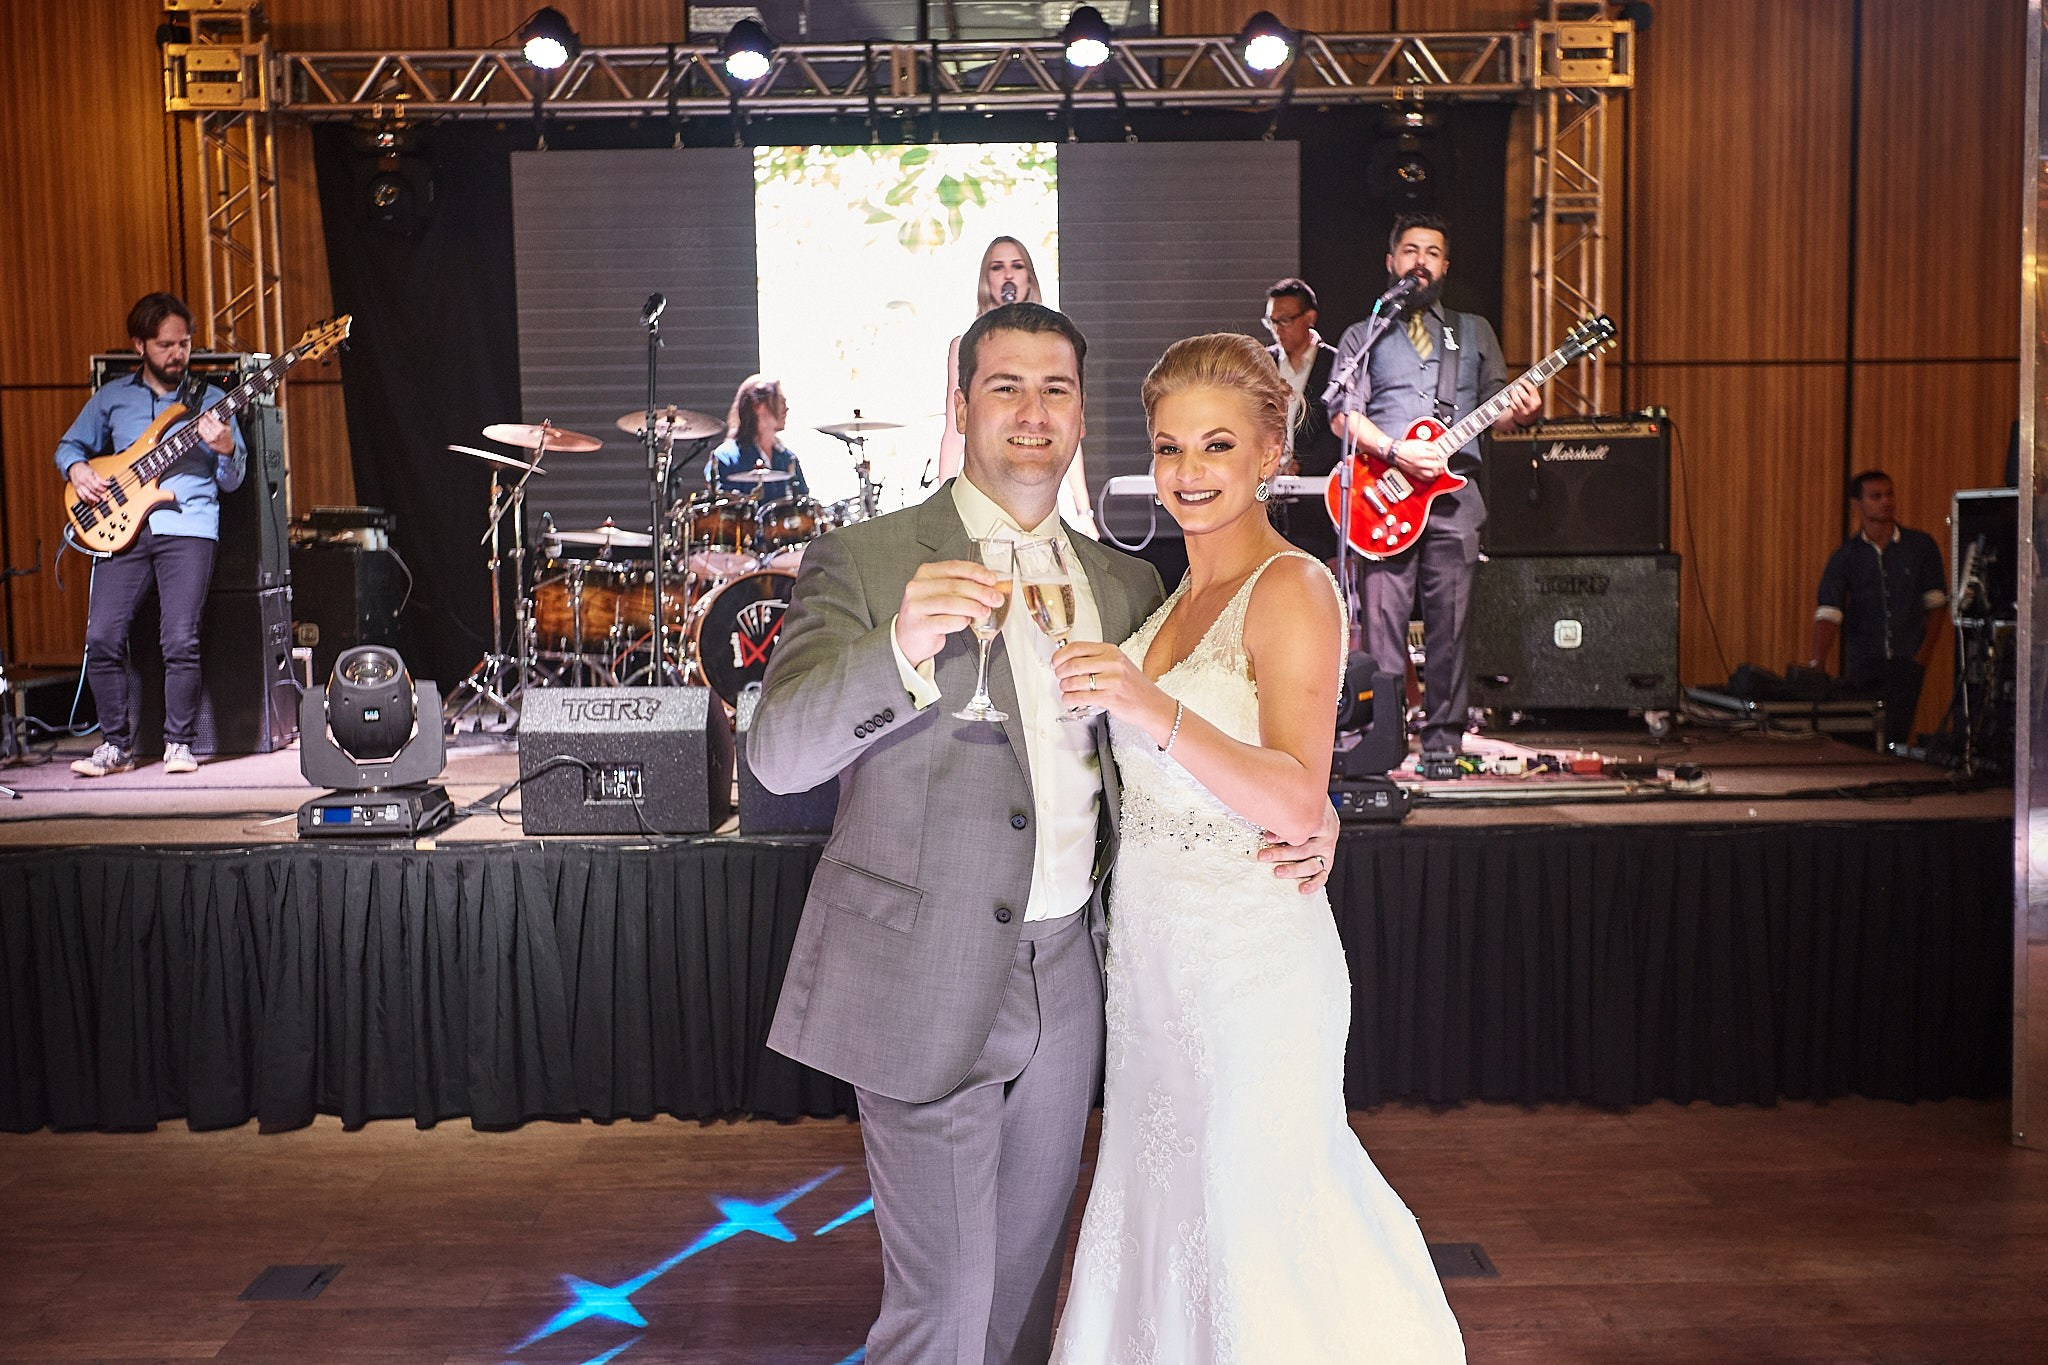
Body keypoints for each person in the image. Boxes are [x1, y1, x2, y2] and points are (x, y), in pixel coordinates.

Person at [748, 302, 1339, 1365]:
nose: (1032, 411)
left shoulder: (1127, 583)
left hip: (1074, 984)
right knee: (941, 1314)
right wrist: (900, 646)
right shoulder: (866, 559)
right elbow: (779, 757)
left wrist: (1313, 808)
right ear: (960, 405)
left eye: (1055, 389)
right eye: (1005, 387)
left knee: (1024, 1307)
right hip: (922, 977)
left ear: (1080, 417)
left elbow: (1183, 758)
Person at [1046, 332, 1464, 1363]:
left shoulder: (1293, 588)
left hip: (1251, 974)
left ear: (1270, 452)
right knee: (1166, 1212)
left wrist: (1149, 707)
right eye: (1169, 447)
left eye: (1216, 446)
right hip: (1153, 971)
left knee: (1251, 1218)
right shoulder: (1167, 603)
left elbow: (1293, 794)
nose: (1187, 472)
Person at [1328, 213, 1541, 759]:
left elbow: (1500, 411)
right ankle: (1384, 741)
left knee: (1451, 625)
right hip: (1384, 496)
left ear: (1445, 265)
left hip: (1455, 495)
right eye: (1410, 250)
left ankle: (1444, 743)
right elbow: (1343, 415)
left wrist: (1522, 413)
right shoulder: (1363, 334)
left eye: (1432, 252)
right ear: (1391, 261)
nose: (1420, 261)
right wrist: (1395, 451)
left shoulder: (1474, 331)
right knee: (1382, 628)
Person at [57, 292, 246, 778]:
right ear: (139, 345)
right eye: (165, 345)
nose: (177, 354)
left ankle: (178, 744)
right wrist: (78, 470)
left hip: (189, 525)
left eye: (184, 344)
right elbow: (69, 446)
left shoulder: (210, 401)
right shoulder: (112, 398)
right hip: (121, 528)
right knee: (101, 637)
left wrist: (225, 448)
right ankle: (115, 746)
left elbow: (233, 480)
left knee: (180, 638)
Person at [934, 236, 1098, 538]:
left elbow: (1068, 431)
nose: (1008, 275)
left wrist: (1083, 510)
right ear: (987, 280)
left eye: (1017, 266)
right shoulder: (964, 345)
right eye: (997, 267)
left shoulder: (1059, 344)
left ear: (1028, 277)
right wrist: (942, 507)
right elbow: (954, 433)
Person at [1809, 469, 1948, 747]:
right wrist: (1818, 664)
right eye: (1876, 496)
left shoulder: (1920, 546)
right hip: (1863, 664)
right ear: (1857, 504)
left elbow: (1936, 605)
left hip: (1907, 662)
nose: (1886, 501)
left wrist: (1922, 657)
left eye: (1889, 494)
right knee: (1863, 738)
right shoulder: (1846, 556)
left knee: (1896, 735)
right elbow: (1829, 613)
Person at [1262, 277, 1342, 560]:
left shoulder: (1335, 364)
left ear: (1309, 318)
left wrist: (1301, 465)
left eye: (1285, 320)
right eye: (1271, 321)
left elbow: (1337, 430)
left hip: (1317, 504)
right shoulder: (1263, 364)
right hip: (1267, 498)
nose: (1277, 329)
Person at [705, 373, 809, 499]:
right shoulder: (725, 457)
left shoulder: (788, 458)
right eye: (780, 402)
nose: (786, 409)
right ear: (758, 406)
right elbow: (721, 505)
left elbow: (803, 502)